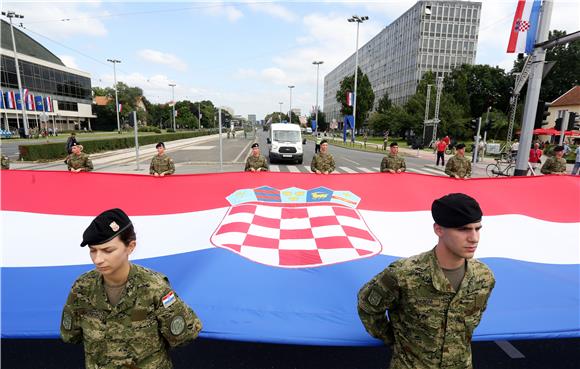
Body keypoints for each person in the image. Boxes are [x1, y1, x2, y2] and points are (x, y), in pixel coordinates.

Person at [357, 193, 495, 369]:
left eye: (478, 229)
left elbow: (469, 327)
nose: (474, 238)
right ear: (439, 229)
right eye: (463, 229)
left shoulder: (483, 277)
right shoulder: (404, 274)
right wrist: (396, 340)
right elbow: (368, 307)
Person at [61, 208, 202, 369]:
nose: (98, 259)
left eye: (108, 250)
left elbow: (183, 335)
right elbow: (70, 335)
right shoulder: (83, 288)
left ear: (130, 246)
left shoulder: (154, 288)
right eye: (93, 251)